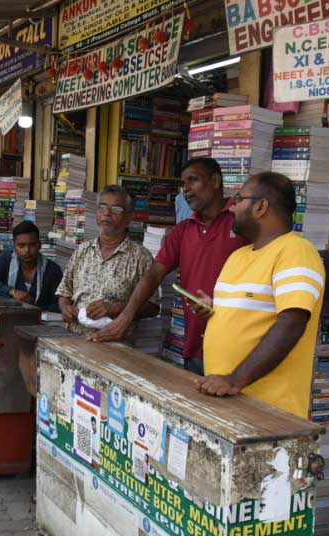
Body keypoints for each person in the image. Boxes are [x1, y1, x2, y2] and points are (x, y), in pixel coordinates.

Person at [92, 159, 246, 375]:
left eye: (193, 180)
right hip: (195, 347)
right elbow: (154, 274)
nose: (186, 189)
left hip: (238, 348)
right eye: (184, 183)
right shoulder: (183, 230)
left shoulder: (241, 222)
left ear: (215, 181)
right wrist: (126, 317)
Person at [196, 172, 325, 419]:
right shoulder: (238, 256)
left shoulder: (296, 251)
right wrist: (214, 310)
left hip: (268, 412)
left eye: (238, 199)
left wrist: (235, 380)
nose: (231, 207)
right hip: (227, 403)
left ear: (260, 206)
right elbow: (249, 312)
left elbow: (292, 322)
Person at [56, 185, 158, 337]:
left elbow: (153, 307)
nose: (107, 214)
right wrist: (65, 308)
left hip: (114, 344)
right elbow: (64, 292)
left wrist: (114, 308)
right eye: (102, 208)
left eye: (116, 209)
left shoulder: (141, 257)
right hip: (74, 338)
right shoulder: (82, 251)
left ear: (129, 217)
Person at [0, 221, 62, 311]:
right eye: (21, 245)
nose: (27, 250)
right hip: (9, 316)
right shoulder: (6, 261)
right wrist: (11, 291)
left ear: (39, 245)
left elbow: (59, 302)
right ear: (14, 246)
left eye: (32, 245)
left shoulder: (52, 269)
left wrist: (40, 311)